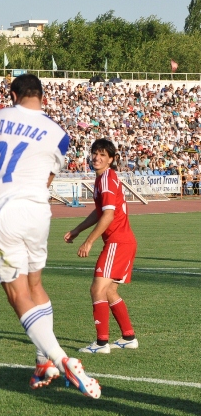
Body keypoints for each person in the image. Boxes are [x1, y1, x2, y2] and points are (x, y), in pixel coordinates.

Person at [0, 74, 101, 398]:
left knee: (17, 295)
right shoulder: (59, 135)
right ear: (42, 96)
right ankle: (44, 361)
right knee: (36, 285)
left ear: (12, 94)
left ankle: (61, 359)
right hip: (39, 213)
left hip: (5, 213)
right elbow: (46, 178)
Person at [64, 138, 138, 353]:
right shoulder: (105, 178)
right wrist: (78, 229)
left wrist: (88, 242)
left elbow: (108, 214)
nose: (97, 157)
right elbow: (99, 211)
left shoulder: (105, 180)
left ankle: (102, 343)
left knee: (97, 289)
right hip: (123, 241)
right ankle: (128, 337)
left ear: (111, 159)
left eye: (103, 155)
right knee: (110, 291)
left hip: (118, 241)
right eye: (95, 153)